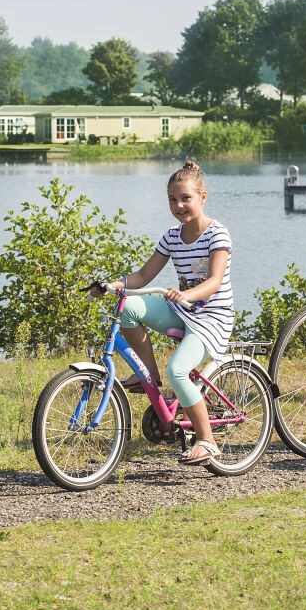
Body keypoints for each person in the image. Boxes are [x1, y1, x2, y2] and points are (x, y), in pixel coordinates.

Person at [99, 161, 235, 466]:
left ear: (203, 197)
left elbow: (213, 282)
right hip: (182, 310)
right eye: (172, 200)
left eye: (185, 198)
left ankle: (207, 441)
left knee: (179, 371)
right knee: (129, 307)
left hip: (212, 317)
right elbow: (144, 276)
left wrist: (187, 294)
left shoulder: (217, 234)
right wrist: (113, 285)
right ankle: (148, 374)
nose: (179, 206)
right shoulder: (172, 236)